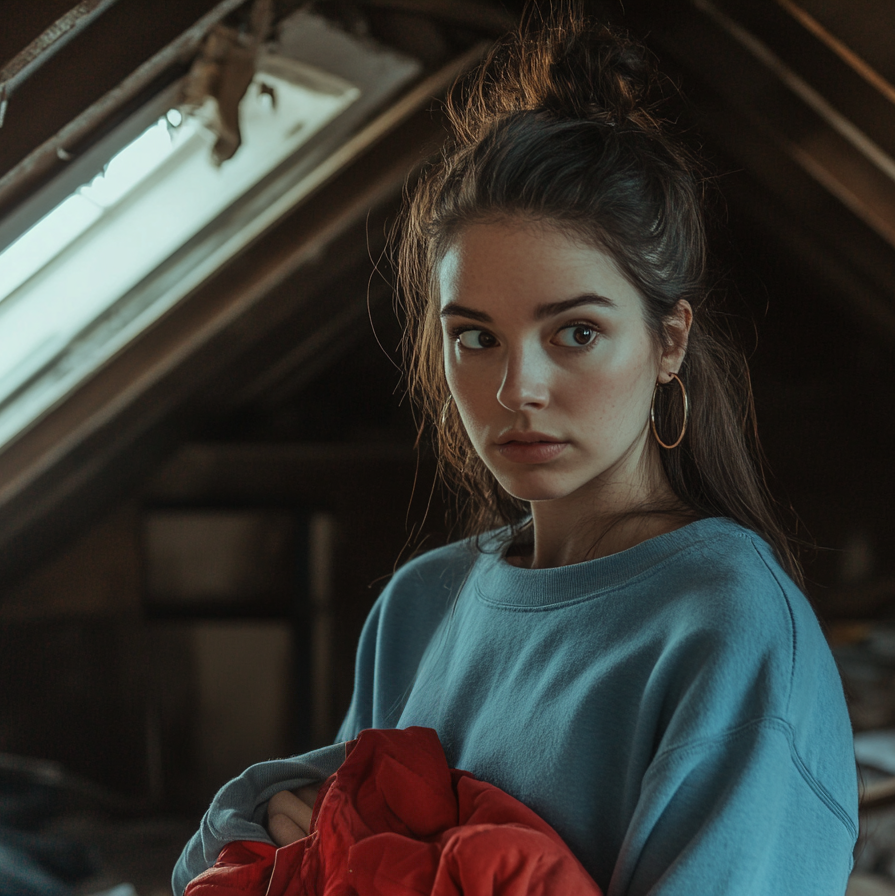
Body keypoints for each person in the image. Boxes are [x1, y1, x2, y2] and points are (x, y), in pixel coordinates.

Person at [173, 13, 858, 895]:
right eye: (477, 338)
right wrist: (282, 821)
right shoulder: (420, 606)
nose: (517, 388)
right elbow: (292, 852)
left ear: (671, 341)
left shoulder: (726, 629)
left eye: (575, 332)